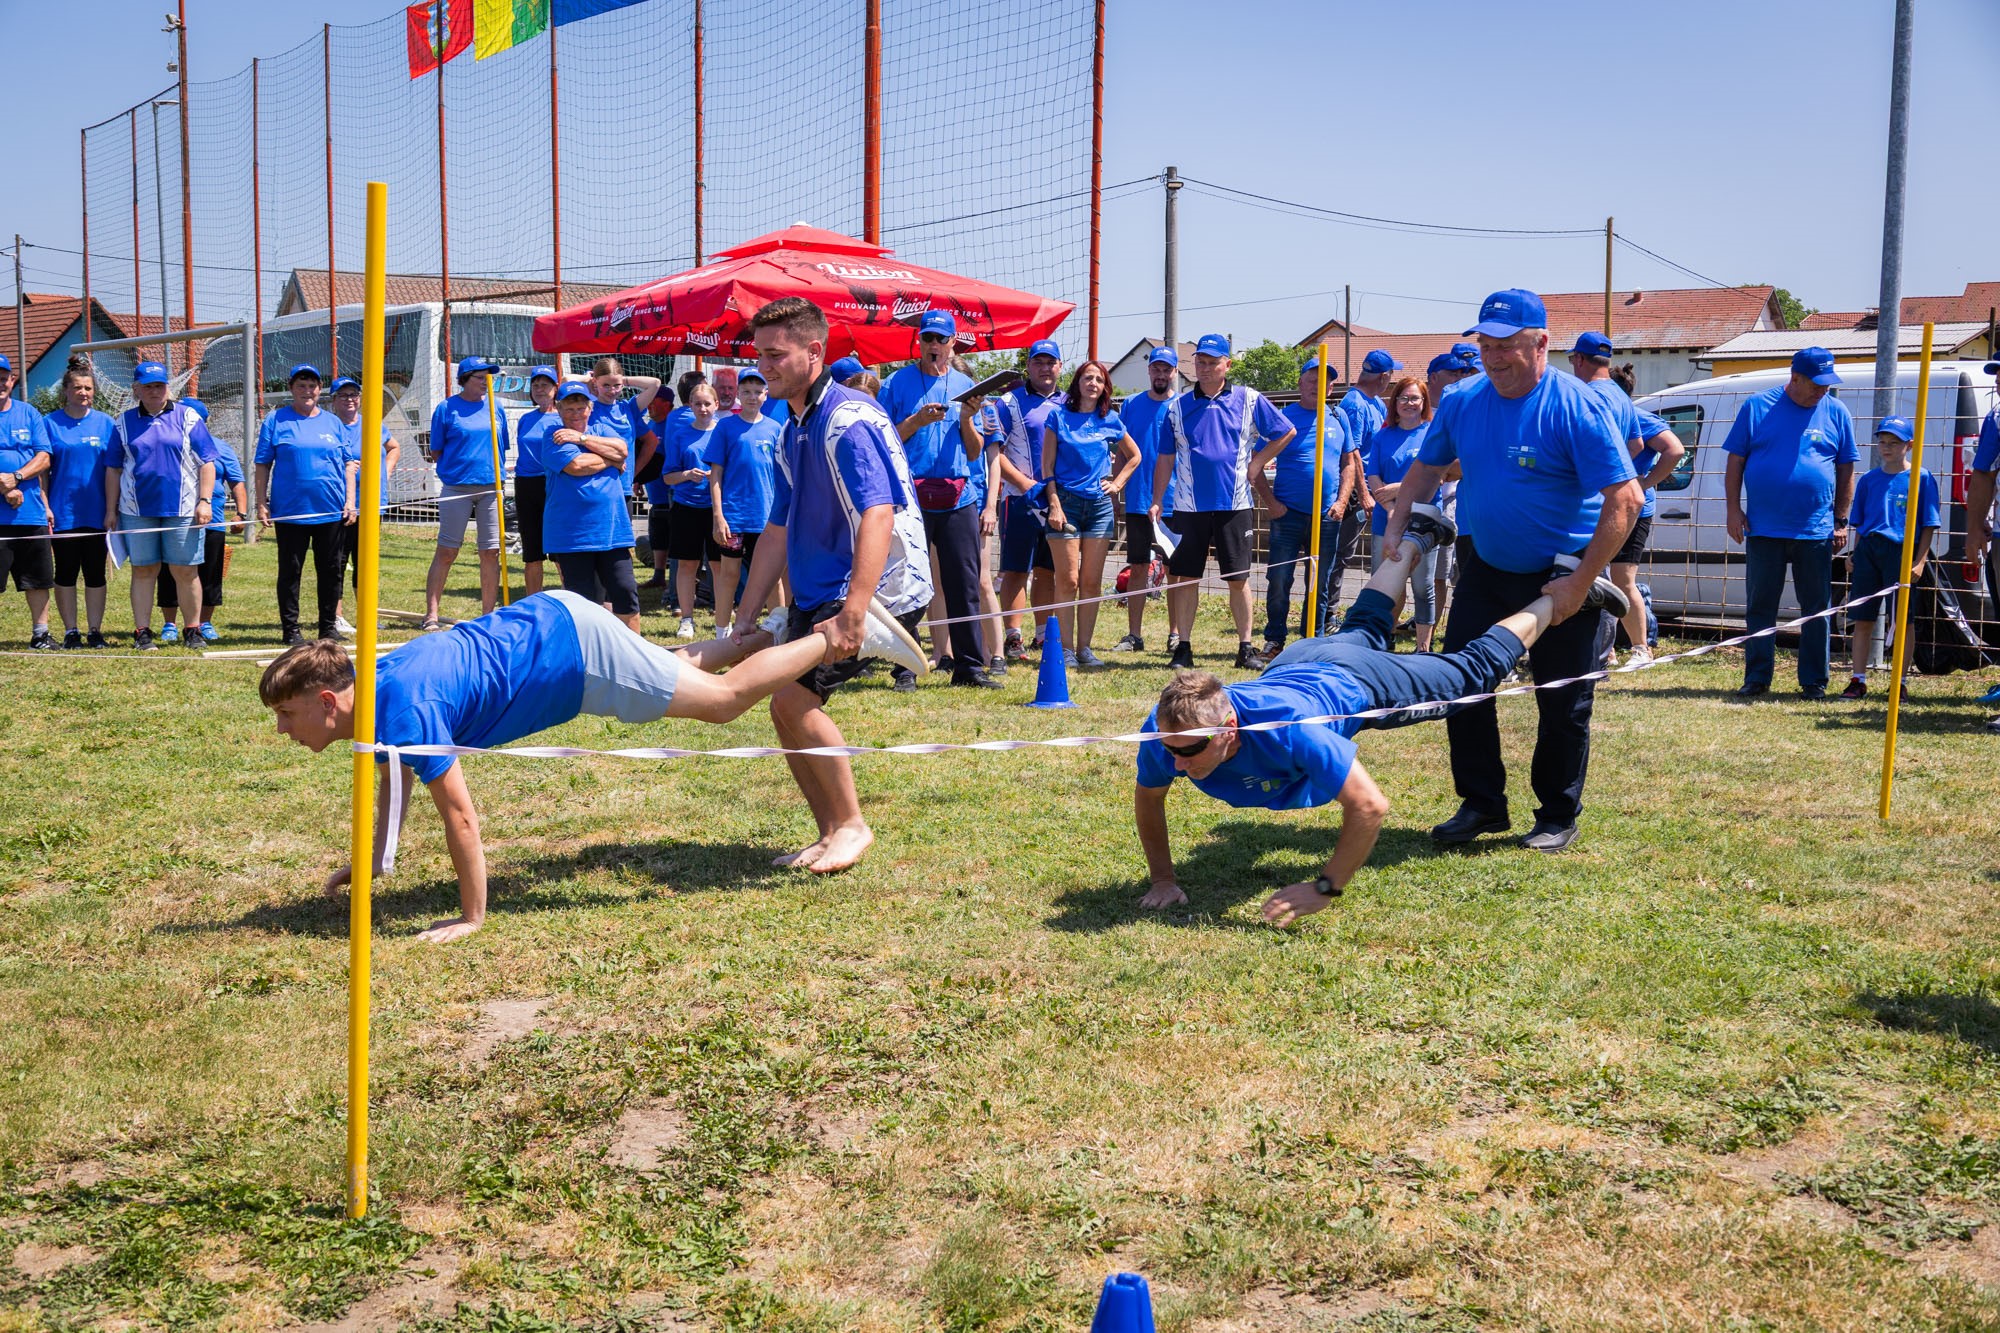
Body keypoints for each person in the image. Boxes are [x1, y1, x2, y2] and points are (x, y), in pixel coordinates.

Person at [261, 586, 929, 943]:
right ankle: (772, 634)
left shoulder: (404, 707)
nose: (283, 730)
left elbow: (459, 814)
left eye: (288, 714)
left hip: (574, 652)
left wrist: (471, 917)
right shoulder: (373, 686)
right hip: (558, 627)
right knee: (670, 671)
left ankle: (839, 635)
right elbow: (391, 780)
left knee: (723, 703)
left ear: (327, 701)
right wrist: (372, 863)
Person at [1133, 505, 1629, 919]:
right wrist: (1163, 880)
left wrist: (1325, 887)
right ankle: (1419, 534)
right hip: (1298, 660)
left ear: (1229, 727)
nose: (1177, 763)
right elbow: (1149, 798)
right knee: (1366, 624)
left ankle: (1564, 592)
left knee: (1471, 675)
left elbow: (1369, 806)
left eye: (1189, 752)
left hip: (1355, 680)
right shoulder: (1170, 726)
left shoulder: (1294, 731)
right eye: (1171, 750)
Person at [1383, 288, 1642, 853]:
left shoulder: (1577, 405)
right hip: (1486, 566)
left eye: (1506, 345)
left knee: (1562, 698)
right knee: (1463, 684)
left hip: (1564, 574)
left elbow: (1626, 499)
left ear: (1541, 342)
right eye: (1486, 345)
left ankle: (1556, 813)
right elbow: (1427, 469)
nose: (1494, 357)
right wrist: (1396, 526)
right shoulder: (1463, 400)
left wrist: (1580, 582)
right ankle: (1482, 804)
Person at [729, 296, 934, 874]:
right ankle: (828, 833)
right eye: (759, 354)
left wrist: (855, 612)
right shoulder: (790, 427)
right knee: (785, 709)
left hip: (877, 591)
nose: (763, 366)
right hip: (821, 590)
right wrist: (746, 613)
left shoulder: (847, 420)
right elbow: (776, 529)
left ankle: (852, 826)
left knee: (796, 701)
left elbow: (878, 514)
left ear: (814, 352)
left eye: (776, 355)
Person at [1149, 333, 1295, 670]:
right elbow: (1165, 458)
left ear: (1227, 365)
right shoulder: (1177, 407)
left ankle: (1245, 648)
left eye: (1213, 362)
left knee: (1238, 579)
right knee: (1186, 578)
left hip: (1235, 505)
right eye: (1200, 361)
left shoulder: (1249, 399)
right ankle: (1183, 648)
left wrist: (1258, 463)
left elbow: (1286, 431)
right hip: (1188, 506)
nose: (1205, 368)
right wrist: (1157, 500)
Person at [1723, 346, 1858, 700]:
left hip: (1815, 530)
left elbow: (1846, 468)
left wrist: (1841, 520)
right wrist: (1733, 509)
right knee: (1760, 606)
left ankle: (1814, 681)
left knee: (1816, 608)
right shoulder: (1757, 407)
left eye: (1827, 384)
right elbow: (1735, 461)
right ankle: (1757, 677)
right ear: (1795, 377)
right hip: (1764, 528)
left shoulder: (1837, 411)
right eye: (1816, 383)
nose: (1823, 390)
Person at [882, 311, 1000, 688]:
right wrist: (915, 422)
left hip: (958, 497)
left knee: (964, 584)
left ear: (952, 344)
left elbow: (974, 452)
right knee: (905, 585)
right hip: (909, 497)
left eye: (940, 339)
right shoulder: (895, 383)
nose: (933, 345)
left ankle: (969, 668)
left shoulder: (966, 385)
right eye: (927, 338)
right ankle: (905, 669)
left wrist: (966, 420)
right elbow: (883, 441)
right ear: (919, 342)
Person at [103, 360, 218, 650]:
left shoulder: (188, 416)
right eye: (148, 386)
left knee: (186, 571)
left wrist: (204, 501)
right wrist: (110, 510)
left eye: (159, 385)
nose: (154, 391)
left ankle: (192, 630)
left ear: (168, 387)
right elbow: (113, 469)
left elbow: (207, 462)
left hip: (183, 510)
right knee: (143, 571)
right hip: (136, 511)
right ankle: (142, 632)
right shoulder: (122, 423)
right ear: (136, 390)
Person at [1041, 359, 1140, 666]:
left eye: (1098, 379)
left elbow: (1134, 456)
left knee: (1092, 582)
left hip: (1099, 508)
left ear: (1104, 387)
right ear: (1078, 383)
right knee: (1068, 581)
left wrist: (1118, 483)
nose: (1093, 384)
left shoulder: (1110, 419)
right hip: (1065, 505)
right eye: (1087, 378)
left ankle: (1085, 649)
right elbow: (1047, 467)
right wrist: (1054, 504)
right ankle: (1066, 649)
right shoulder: (1058, 417)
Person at [1256, 356, 1354, 660]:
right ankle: (1275, 640)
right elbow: (1255, 465)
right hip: (1288, 514)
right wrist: (1271, 504)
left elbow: (1349, 463)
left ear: (1331, 387)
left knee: (1320, 582)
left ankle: (1312, 642)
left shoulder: (1338, 417)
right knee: (1279, 579)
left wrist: (1341, 502)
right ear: (1300, 383)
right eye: (1311, 379)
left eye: (1324, 381)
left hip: (1327, 516)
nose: (1317, 385)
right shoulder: (1283, 418)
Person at [256, 363, 359, 646]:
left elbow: (349, 463)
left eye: (312, 386)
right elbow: (263, 464)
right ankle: (291, 629)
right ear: (291, 389)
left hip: (330, 511)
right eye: (301, 386)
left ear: (319, 390)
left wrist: (350, 501)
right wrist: (261, 502)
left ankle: (328, 627)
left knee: (331, 571)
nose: (307, 391)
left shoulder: (333, 423)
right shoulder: (276, 420)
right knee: (291, 572)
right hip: (291, 512)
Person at [1840, 415, 1938, 700]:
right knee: (1862, 617)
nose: (1886, 448)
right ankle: (1858, 679)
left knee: (1903, 620)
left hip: (1902, 551)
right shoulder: (1869, 480)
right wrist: (1855, 554)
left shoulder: (1921, 478)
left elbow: (1929, 523)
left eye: (1894, 443)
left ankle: (1900, 682)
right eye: (1882, 442)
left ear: (1909, 445)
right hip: (1869, 551)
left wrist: (1919, 561)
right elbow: (1860, 523)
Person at [542, 381, 643, 631]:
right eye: (569, 409)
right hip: (573, 536)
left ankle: (636, 650)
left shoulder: (600, 428)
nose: (576, 414)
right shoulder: (553, 435)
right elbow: (576, 466)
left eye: (581, 408)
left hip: (612, 532)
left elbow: (622, 450)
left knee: (626, 592)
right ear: (558, 409)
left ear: (590, 408)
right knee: (583, 603)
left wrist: (582, 438)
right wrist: (610, 460)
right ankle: (589, 654)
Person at [990, 341, 1065, 660]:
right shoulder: (1008, 403)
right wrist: (1025, 484)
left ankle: (1043, 635)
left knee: (1048, 570)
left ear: (1060, 366)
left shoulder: (1070, 402)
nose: (1045, 368)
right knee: (1016, 569)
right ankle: (1013, 636)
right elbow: (995, 451)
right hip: (1018, 499)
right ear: (1029, 366)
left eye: (1051, 362)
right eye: (1038, 362)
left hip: (1057, 500)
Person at [1607, 361, 1684, 665]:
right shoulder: (1605, 418)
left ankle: (1641, 648)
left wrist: (1645, 482)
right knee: (1598, 578)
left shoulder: (1637, 417)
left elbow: (1675, 449)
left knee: (1622, 579)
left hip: (1632, 511)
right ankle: (1605, 650)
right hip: (1601, 508)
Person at [423, 357, 509, 628]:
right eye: (480, 377)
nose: (486, 382)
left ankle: (487, 615)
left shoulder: (496, 406)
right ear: (464, 379)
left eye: (488, 377)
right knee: (447, 550)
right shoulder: (446, 408)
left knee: (490, 552)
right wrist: (458, 468)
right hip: (457, 488)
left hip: (491, 488)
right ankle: (431, 614)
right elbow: (436, 450)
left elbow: (502, 445)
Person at [42, 362, 117, 649]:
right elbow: (43, 472)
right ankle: (71, 631)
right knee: (66, 572)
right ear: (65, 391)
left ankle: (95, 631)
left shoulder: (106, 423)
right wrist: (46, 505)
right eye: (77, 387)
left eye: (88, 388)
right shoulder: (49, 423)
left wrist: (111, 510)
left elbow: (113, 471)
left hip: (97, 512)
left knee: (95, 573)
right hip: (64, 512)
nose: (83, 392)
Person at [159, 399, 246, 643]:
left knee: (210, 574)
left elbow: (236, 482)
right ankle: (169, 623)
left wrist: (241, 514)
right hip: (175, 517)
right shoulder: (168, 443)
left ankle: (204, 622)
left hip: (212, 521)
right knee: (170, 572)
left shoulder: (221, 448)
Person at [1365, 376, 1442, 650]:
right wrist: (1391, 509)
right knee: (1387, 584)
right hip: (1385, 521)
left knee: (1423, 586)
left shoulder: (1433, 434)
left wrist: (1400, 488)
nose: (1409, 403)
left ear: (1424, 402)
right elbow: (1373, 476)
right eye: (1404, 398)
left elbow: (1438, 475)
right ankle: (1385, 638)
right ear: (1395, 402)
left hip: (1424, 520)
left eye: (1415, 398)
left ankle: (1423, 648)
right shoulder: (1382, 436)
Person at [1111, 346, 1180, 653]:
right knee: (1138, 567)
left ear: (1175, 372)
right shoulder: (1130, 405)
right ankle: (1134, 635)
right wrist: (1116, 489)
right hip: (1138, 499)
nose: (1161, 374)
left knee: (1175, 570)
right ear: (1149, 370)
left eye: (1167, 369)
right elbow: (1121, 451)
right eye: (1156, 368)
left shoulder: (1182, 406)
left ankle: (1176, 634)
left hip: (1174, 501)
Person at [709, 366, 784, 638]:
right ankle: (721, 633)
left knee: (772, 578)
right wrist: (718, 516)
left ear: (766, 394)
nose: (752, 396)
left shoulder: (776, 428)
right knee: (729, 575)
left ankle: (778, 633)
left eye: (757, 391)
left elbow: (784, 475)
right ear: (738, 394)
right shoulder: (726, 427)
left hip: (767, 519)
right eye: (747, 391)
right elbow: (715, 474)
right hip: (734, 517)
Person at [326, 375, 402, 634]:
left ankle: (367, 614)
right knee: (338, 560)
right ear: (334, 400)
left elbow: (393, 448)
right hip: (342, 504)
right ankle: (336, 616)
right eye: (343, 395)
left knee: (366, 561)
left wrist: (385, 472)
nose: (349, 400)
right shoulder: (330, 427)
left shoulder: (373, 425)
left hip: (373, 504)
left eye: (354, 395)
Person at [660, 381, 723, 639]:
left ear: (716, 405)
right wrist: (687, 474)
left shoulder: (724, 432)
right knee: (687, 564)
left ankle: (722, 619)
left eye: (707, 403)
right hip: (686, 507)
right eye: (698, 404)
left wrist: (716, 477)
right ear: (690, 406)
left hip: (718, 509)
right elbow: (668, 477)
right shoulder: (680, 435)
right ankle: (686, 618)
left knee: (719, 565)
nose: (703, 408)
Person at [0, 355, 56, 648]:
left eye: (3, 377)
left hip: (29, 513)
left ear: (12, 380)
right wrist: (3, 487)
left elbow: (44, 456)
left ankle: (41, 634)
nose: (0, 383)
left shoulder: (29, 413)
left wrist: (17, 477)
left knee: (38, 579)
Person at [509, 367, 558, 596]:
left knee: (560, 550)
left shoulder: (563, 417)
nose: (539, 389)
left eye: (545, 385)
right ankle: (533, 599)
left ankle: (571, 599)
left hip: (553, 484)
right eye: (535, 385)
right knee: (532, 551)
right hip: (526, 485)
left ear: (555, 388)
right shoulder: (526, 419)